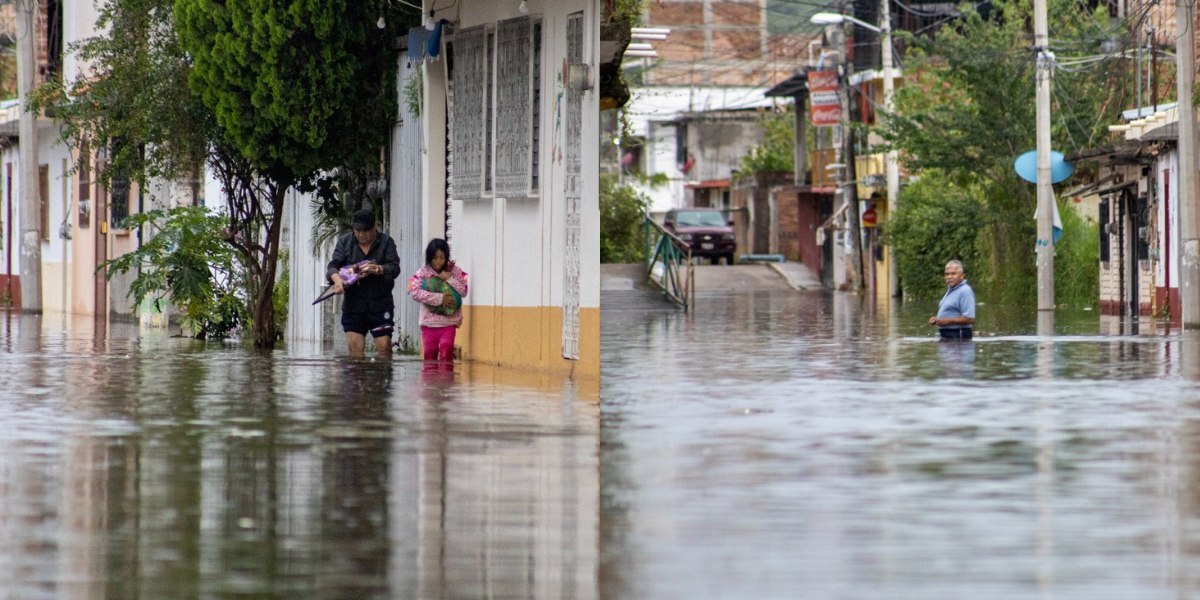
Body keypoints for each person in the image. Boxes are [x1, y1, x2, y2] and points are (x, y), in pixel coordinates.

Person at [326, 209, 401, 358]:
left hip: (380, 305)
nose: (361, 235)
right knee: (355, 349)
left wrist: (378, 269)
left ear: (375, 227)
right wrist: (338, 280)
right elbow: (332, 267)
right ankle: (358, 380)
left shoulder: (386, 242)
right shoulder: (345, 242)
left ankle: (382, 380)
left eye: (366, 231)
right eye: (358, 231)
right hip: (353, 306)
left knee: (385, 347)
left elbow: (395, 269)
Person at [407, 238, 468, 362]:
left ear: (447, 257)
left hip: (449, 323)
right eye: (435, 257)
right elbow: (413, 291)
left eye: (442, 257)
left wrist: (450, 278)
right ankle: (431, 382)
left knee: (447, 352)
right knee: (430, 357)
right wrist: (440, 299)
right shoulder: (422, 272)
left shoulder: (456, 271)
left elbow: (464, 291)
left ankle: (446, 381)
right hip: (429, 324)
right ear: (429, 257)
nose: (439, 262)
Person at [929, 259, 975, 340]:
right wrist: (937, 319)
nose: (949, 277)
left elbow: (970, 318)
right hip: (947, 334)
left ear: (962, 275)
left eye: (953, 274)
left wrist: (949, 321)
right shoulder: (951, 289)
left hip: (958, 334)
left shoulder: (965, 291)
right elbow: (951, 312)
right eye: (947, 274)